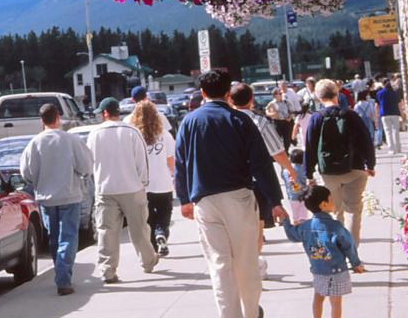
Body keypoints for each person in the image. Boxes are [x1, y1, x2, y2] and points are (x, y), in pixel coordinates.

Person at [175, 70, 286, 318]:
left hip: (204, 199)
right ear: (228, 93)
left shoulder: (189, 122)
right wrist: (275, 201)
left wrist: (184, 199)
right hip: (238, 197)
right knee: (245, 261)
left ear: (202, 93)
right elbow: (261, 163)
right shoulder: (239, 120)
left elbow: (181, 164)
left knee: (219, 264)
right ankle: (250, 312)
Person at [20, 103, 93, 296]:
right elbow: (85, 167)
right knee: (68, 237)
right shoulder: (71, 140)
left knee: (54, 238)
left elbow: (26, 172)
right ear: (58, 118)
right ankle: (63, 278)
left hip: (46, 198)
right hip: (70, 195)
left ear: (41, 120)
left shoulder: (34, 143)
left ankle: (61, 273)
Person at [229, 82, 298, 279]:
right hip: (256, 181)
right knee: (257, 225)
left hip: (230, 181)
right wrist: (291, 170)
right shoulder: (260, 122)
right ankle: (254, 263)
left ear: (230, 100)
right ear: (251, 100)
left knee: (237, 227)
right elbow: (277, 152)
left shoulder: (224, 121)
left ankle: (242, 264)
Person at [87, 96, 159, 284]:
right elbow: (141, 160)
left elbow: (89, 163)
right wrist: (143, 182)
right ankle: (148, 261)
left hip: (105, 188)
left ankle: (108, 270)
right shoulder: (132, 131)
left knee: (107, 231)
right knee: (139, 228)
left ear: (105, 113)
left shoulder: (94, 134)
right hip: (132, 187)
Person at [304, 79, 376, 246]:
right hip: (355, 168)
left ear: (318, 97)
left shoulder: (316, 118)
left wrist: (309, 174)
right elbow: (366, 141)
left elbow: (310, 147)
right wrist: (370, 165)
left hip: (329, 172)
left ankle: (339, 249)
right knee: (354, 211)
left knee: (335, 211)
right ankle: (353, 253)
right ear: (337, 94)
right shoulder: (351, 115)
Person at [283, 185, 365, 318]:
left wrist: (285, 221)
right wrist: (356, 263)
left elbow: (292, 235)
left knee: (318, 297)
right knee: (336, 302)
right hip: (336, 270)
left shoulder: (305, 227)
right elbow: (349, 246)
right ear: (323, 204)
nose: (334, 201)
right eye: (331, 199)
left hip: (318, 270)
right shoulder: (336, 227)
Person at [128, 100, 175, 257]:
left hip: (143, 185)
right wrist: (175, 176)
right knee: (165, 212)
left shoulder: (133, 137)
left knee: (149, 217)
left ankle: (154, 246)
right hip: (163, 182)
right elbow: (171, 160)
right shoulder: (165, 135)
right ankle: (161, 233)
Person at [376, 79, 404, 154]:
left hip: (384, 114)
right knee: (396, 131)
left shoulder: (379, 93)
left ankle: (391, 149)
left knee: (388, 132)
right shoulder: (395, 93)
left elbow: (377, 105)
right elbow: (399, 104)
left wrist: (377, 115)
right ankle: (398, 148)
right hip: (395, 113)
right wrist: (402, 114)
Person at [285, 148, 309, 224]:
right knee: (303, 216)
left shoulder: (286, 170)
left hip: (292, 196)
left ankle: (296, 230)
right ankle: (303, 231)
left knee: (295, 216)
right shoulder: (303, 169)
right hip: (303, 195)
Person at [294, 77, 319, 148]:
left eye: (309, 83)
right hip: (308, 112)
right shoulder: (304, 91)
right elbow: (296, 97)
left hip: (316, 111)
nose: (307, 85)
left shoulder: (317, 90)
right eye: (307, 83)